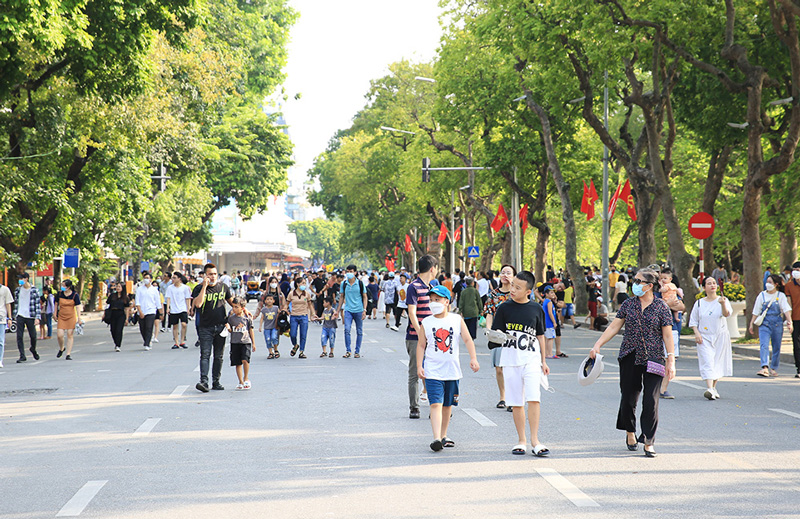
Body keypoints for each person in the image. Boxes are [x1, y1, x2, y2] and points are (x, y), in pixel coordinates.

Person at [589, 267, 676, 458]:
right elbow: (614, 327)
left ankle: (648, 440)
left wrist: (671, 360)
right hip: (630, 355)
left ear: (649, 286)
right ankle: (630, 431)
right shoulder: (628, 304)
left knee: (651, 400)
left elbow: (668, 336)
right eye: (634, 280)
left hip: (654, 357)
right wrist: (597, 344)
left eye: (638, 281)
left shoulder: (661, 307)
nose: (634, 284)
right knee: (628, 398)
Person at [491, 271, 549, 456]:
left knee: (534, 398)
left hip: (531, 360)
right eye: (512, 285)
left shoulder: (536, 309)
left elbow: (540, 335)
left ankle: (535, 441)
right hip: (511, 361)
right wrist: (495, 337)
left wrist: (543, 361)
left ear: (528, 292)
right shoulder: (504, 308)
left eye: (518, 287)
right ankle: (521, 440)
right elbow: (495, 334)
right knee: (517, 402)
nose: (513, 290)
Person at [417, 285, 480, 451]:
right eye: (431, 300)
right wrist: (419, 366)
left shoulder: (456, 320)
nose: (433, 303)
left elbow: (467, 339)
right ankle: (436, 438)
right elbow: (421, 345)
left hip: (452, 371)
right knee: (435, 404)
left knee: (447, 405)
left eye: (437, 300)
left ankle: (444, 435)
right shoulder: (426, 322)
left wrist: (473, 358)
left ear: (446, 301)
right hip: (432, 370)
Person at [192, 263, 235, 392]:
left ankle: (216, 381)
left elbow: (233, 303)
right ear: (205, 275)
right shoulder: (198, 288)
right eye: (210, 274)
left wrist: (243, 310)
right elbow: (198, 304)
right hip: (205, 327)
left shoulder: (223, 287)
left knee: (218, 356)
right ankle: (204, 382)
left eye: (215, 274)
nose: (213, 276)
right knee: (205, 355)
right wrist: (204, 287)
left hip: (221, 327)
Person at [405, 255, 438, 419]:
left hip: (432, 338)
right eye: (436, 268)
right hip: (415, 337)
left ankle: (436, 406)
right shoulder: (414, 287)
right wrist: (420, 334)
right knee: (415, 372)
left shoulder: (433, 288)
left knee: (432, 373)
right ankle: (414, 407)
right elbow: (411, 312)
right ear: (432, 269)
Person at [689, 277, 733, 399]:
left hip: (720, 335)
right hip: (704, 336)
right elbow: (693, 320)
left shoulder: (723, 300)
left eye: (714, 283)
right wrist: (697, 333)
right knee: (707, 361)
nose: (712, 285)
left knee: (717, 362)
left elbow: (726, 314)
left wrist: (723, 304)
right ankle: (709, 388)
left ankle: (713, 388)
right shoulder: (699, 303)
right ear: (704, 287)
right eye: (709, 283)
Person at [484, 264, 517, 411]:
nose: (505, 275)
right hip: (498, 334)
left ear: (514, 276)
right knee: (499, 369)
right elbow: (489, 313)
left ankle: (512, 398)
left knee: (512, 367)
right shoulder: (493, 295)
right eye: (503, 272)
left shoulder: (517, 294)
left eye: (508, 273)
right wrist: (489, 330)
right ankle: (503, 397)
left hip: (514, 334)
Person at [749, 274, 793, 377]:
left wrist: (789, 322)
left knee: (776, 346)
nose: (767, 284)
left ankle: (773, 367)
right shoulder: (762, 295)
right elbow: (756, 310)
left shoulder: (780, 296)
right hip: (764, 324)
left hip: (777, 324)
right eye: (767, 282)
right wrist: (751, 323)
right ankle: (764, 367)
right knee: (764, 345)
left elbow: (786, 309)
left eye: (770, 282)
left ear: (776, 284)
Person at [336, 264, 368, 359]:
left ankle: (357, 351)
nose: (349, 273)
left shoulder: (360, 283)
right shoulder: (344, 284)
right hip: (348, 310)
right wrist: (337, 311)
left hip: (359, 310)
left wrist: (364, 310)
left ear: (355, 272)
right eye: (348, 271)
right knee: (347, 329)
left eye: (351, 271)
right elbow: (341, 297)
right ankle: (348, 350)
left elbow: (365, 297)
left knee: (359, 331)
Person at [224, 296, 255, 390]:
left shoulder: (247, 318)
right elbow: (230, 330)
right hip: (235, 342)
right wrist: (228, 328)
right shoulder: (231, 319)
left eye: (236, 307)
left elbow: (251, 330)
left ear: (242, 308)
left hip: (245, 342)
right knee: (237, 363)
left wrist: (253, 343)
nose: (234, 309)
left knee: (245, 360)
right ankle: (240, 381)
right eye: (233, 307)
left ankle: (246, 378)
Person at [14, 272, 41, 362]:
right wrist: (14, 315)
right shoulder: (18, 290)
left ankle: (33, 348)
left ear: (26, 279)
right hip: (20, 314)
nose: (20, 280)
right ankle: (22, 355)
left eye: (21, 279)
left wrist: (37, 317)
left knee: (33, 336)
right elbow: (16, 303)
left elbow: (37, 304)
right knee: (19, 336)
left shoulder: (34, 290)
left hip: (30, 315)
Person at [288, 275, 317, 358]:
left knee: (303, 334)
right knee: (292, 334)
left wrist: (313, 313)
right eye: (302, 283)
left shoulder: (307, 294)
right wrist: (284, 310)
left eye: (305, 283)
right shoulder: (291, 294)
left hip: (304, 316)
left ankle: (301, 351)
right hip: (294, 316)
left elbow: (310, 304)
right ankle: (295, 345)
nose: (304, 285)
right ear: (297, 284)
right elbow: (286, 304)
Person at [55, 279, 82, 360]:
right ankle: (62, 348)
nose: (62, 287)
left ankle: (68, 354)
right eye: (62, 285)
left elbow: (78, 306)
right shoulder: (59, 294)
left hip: (71, 317)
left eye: (64, 286)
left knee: (70, 334)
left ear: (69, 287)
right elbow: (56, 304)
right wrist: (54, 313)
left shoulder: (75, 295)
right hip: (61, 316)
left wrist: (79, 318)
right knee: (60, 335)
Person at [135, 272, 161, 351]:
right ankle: (146, 340)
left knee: (149, 327)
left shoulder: (154, 290)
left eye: (147, 278)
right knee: (142, 328)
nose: (146, 279)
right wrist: (140, 311)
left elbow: (158, 302)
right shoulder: (139, 289)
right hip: (141, 311)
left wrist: (161, 312)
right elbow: (137, 301)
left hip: (151, 311)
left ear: (151, 279)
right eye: (145, 278)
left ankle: (147, 343)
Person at [165, 272, 192, 349]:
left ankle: (182, 341)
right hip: (174, 309)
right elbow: (168, 298)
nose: (173, 279)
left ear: (179, 279)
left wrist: (188, 308)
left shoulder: (185, 288)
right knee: (175, 326)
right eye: (172, 278)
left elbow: (187, 298)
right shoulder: (170, 288)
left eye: (174, 278)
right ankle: (176, 342)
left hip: (183, 308)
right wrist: (168, 308)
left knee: (184, 324)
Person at [106, 281, 132, 352]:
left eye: (119, 286)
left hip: (121, 314)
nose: (117, 288)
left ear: (123, 288)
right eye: (117, 286)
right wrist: (105, 314)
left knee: (119, 330)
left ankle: (118, 345)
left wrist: (127, 318)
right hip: (113, 313)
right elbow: (107, 305)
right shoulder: (112, 296)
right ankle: (115, 341)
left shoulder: (125, 297)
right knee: (113, 330)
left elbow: (127, 309)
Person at [257, 294, 280, 358]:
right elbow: (262, 318)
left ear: (273, 301)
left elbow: (280, 315)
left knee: (274, 337)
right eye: (268, 299)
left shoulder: (276, 308)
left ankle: (276, 350)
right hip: (267, 327)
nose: (269, 301)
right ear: (265, 301)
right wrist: (260, 326)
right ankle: (270, 352)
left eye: (271, 299)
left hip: (274, 327)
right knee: (268, 339)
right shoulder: (264, 309)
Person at [541, 285, 557, 359]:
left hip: (545, 322)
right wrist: (554, 322)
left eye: (553, 292)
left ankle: (546, 353)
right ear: (546, 294)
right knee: (550, 338)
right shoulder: (549, 302)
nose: (553, 294)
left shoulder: (545, 301)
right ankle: (549, 353)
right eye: (551, 293)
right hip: (549, 323)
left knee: (546, 338)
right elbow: (550, 313)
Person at [0, 280, 13, 368]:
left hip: (1, 317)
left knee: (1, 341)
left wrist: (10, 318)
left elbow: (8, 304)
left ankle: (0, 360)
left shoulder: (5, 289)